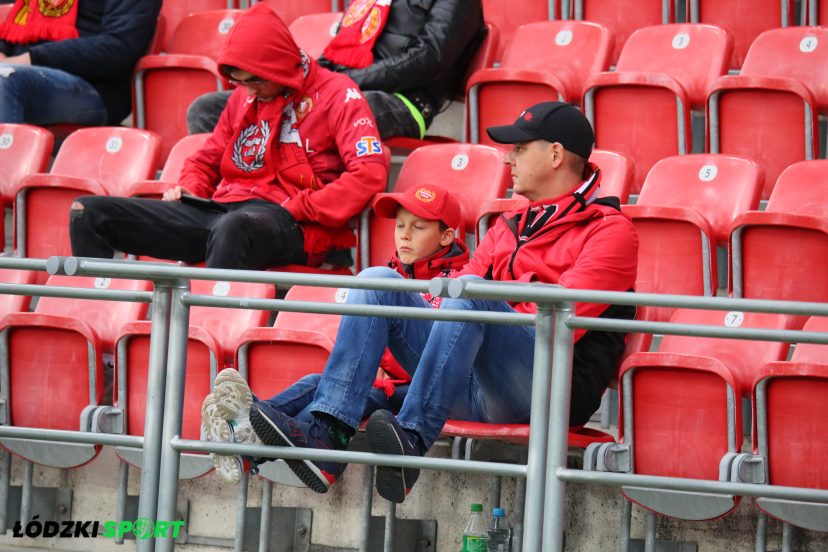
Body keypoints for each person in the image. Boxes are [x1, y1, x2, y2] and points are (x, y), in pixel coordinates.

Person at [206, 101, 638, 502]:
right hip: (470, 376)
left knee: (471, 302)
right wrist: (477, 312)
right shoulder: (508, 225)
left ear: (557, 155)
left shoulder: (610, 230)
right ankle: (325, 438)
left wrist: (488, 308)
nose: (508, 159)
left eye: (520, 149)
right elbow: (448, 296)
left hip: (545, 387)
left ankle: (410, 435)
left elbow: (560, 323)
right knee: (378, 279)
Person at [68, 4, 388, 271]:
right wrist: (189, 190)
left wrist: (300, 206)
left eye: (256, 81)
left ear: (279, 68)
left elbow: (368, 174)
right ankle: (89, 336)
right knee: (90, 213)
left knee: (233, 228)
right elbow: (206, 160)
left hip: (297, 226)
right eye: (239, 82)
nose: (248, 90)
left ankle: (207, 339)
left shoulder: (339, 94)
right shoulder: (243, 97)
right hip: (224, 212)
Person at [201, 183, 470, 483]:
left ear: (447, 236)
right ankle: (248, 428)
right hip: (390, 390)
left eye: (418, 227)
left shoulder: (461, 284)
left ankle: (251, 437)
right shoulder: (390, 274)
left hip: (429, 394)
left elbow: (444, 351)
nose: (405, 235)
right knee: (316, 383)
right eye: (400, 226)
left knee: (336, 386)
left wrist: (380, 364)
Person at [187, 0, 485, 140]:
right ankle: (236, 194)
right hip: (338, 88)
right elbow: (339, 50)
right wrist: (305, 77)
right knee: (206, 109)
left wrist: (344, 83)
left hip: (405, 101)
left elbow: (428, 58)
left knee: (336, 109)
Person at [0, 0, 161, 125]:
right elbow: (15, 27)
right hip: (23, 70)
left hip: (94, 86)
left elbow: (120, 47)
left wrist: (30, 59)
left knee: (4, 79)